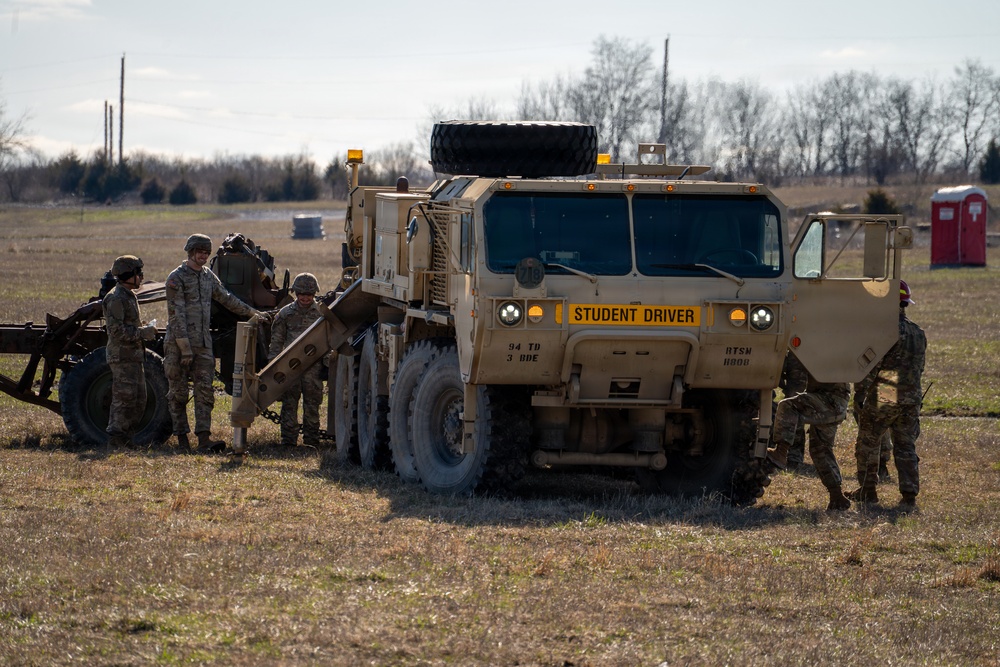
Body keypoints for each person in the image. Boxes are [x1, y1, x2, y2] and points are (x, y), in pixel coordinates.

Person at [164, 234, 263, 452]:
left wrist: (252, 312)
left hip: (203, 344)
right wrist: (185, 348)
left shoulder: (208, 276)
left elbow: (226, 298)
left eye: (206, 252)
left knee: (205, 392)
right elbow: (176, 315)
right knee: (178, 393)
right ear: (190, 251)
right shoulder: (176, 278)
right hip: (178, 345)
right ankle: (182, 440)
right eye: (200, 251)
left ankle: (203, 439)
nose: (203, 256)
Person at [849, 279, 927, 509]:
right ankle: (909, 495)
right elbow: (918, 367)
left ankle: (868, 490)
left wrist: (862, 395)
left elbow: (870, 367)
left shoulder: (885, 330)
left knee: (868, 441)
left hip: (887, 390)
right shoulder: (919, 332)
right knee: (905, 444)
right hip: (912, 393)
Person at [767, 352, 852, 511]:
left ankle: (781, 451)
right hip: (834, 402)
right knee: (819, 449)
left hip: (830, 400)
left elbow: (794, 368)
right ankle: (837, 497)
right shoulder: (830, 342)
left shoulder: (816, 343)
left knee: (787, 406)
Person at [102, 255, 157, 448]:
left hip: (133, 356)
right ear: (128, 275)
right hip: (122, 356)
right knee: (123, 399)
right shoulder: (116, 298)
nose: (142, 277)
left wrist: (143, 330)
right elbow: (116, 332)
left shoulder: (128, 295)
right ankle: (116, 440)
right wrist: (143, 332)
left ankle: (127, 439)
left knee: (139, 399)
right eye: (138, 273)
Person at [268, 273, 325, 447]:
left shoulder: (321, 314)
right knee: (289, 403)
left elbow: (328, 340)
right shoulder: (285, 314)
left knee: (312, 403)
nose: (305, 298)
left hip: (313, 366)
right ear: (295, 293)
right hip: (289, 366)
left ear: (314, 294)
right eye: (301, 294)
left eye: (309, 295)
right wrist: (273, 367)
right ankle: (288, 440)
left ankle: (311, 440)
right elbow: (276, 342)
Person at [852, 376, 893, 482]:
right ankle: (881, 465)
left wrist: (860, 393)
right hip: (890, 382)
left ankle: (872, 473)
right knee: (882, 422)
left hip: (880, 384)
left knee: (871, 429)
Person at [779, 351, 808, 469]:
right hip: (797, 355)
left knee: (796, 408)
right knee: (793, 406)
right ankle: (792, 455)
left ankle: (794, 456)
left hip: (803, 356)